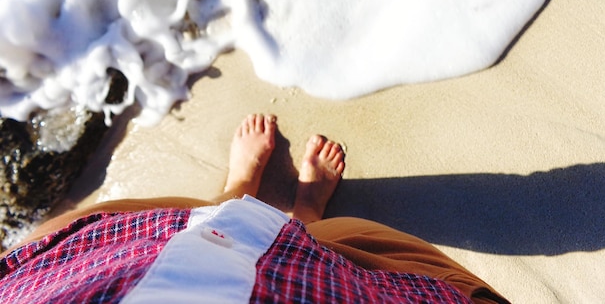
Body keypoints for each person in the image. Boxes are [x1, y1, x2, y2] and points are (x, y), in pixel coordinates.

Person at [0, 114, 509, 303]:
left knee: (199, 223)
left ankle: (236, 190)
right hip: (342, 291)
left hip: (108, 266)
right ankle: (307, 214)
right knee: (338, 244)